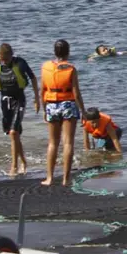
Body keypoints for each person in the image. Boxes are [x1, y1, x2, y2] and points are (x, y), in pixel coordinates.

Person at [0, 43, 40, 177]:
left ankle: (14, 166)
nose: (3, 62)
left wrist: (36, 98)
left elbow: (33, 78)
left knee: (13, 132)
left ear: (11, 55)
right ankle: (24, 162)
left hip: (19, 99)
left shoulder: (21, 63)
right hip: (5, 100)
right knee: (14, 134)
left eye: (5, 59)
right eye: (1, 59)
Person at [40, 40, 84, 186]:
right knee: (68, 142)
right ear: (68, 52)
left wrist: (44, 108)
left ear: (54, 52)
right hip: (68, 104)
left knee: (53, 143)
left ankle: (50, 178)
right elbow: (76, 93)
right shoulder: (71, 69)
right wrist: (83, 111)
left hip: (51, 104)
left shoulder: (45, 67)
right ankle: (66, 178)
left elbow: (43, 90)